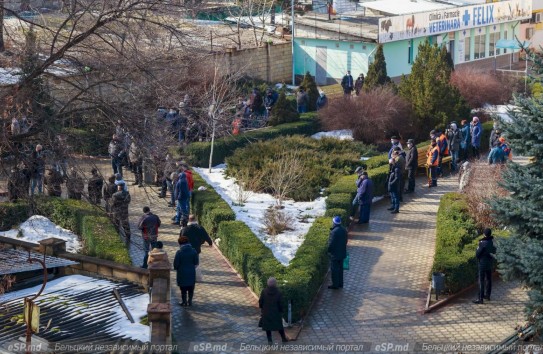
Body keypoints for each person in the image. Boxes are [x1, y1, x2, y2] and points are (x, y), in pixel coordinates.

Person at [259, 277, 290, 345]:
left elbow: (261, 302)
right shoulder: (279, 292)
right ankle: (283, 338)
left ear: (268, 283)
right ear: (275, 284)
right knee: (279, 326)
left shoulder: (264, 291)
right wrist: (281, 311)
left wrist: (262, 309)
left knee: (268, 327)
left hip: (266, 312)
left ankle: (270, 341)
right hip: (276, 313)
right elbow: (281, 303)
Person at [173, 236, 199, 307]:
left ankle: (184, 302)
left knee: (183, 290)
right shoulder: (193, 251)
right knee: (191, 289)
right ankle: (190, 301)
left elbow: (176, 264)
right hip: (191, 273)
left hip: (182, 273)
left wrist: (177, 268)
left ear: (180, 244)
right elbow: (196, 263)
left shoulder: (179, 252)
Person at [473, 228, 496, 304]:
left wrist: (477, 249)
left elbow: (477, 254)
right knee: (489, 279)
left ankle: (480, 298)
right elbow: (494, 251)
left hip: (482, 263)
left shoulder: (482, 242)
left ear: (484, 234)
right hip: (490, 263)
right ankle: (488, 295)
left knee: (481, 280)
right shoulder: (492, 241)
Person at [327, 216, 347, 289]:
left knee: (334, 270)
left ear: (334, 223)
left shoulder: (334, 232)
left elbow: (331, 244)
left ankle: (335, 285)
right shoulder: (344, 230)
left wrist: (328, 250)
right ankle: (340, 283)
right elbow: (346, 241)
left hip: (335, 255)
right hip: (342, 253)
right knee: (340, 269)